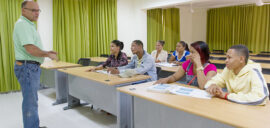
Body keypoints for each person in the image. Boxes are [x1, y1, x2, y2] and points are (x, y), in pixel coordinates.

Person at [13, 1, 58, 128]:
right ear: (23, 11)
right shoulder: (23, 25)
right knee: (30, 102)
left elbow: (32, 48)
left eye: (38, 10)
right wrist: (47, 54)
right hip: (28, 67)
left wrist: (46, 52)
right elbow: (30, 49)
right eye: (33, 10)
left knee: (32, 100)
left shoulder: (28, 25)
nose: (37, 13)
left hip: (29, 67)